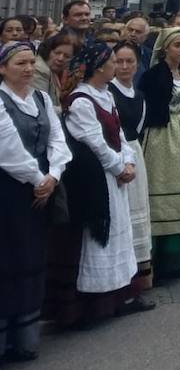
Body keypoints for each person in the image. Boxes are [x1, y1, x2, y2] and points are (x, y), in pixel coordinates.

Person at [45, 43, 141, 328]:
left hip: (113, 175)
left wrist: (129, 160)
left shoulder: (105, 94)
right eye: (113, 61)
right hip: (94, 179)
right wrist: (118, 166)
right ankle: (88, 305)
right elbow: (94, 143)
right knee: (96, 238)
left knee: (117, 233)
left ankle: (116, 295)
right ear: (100, 67)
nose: (117, 66)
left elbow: (118, 134)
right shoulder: (81, 101)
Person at [0, 40, 70, 363]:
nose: (28, 69)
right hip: (10, 191)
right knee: (7, 260)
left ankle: (25, 339)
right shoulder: (1, 101)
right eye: (20, 64)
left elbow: (57, 139)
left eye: (30, 63)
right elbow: (8, 148)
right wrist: (37, 178)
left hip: (41, 188)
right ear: (3, 69)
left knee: (31, 258)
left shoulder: (41, 97)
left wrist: (53, 174)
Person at [140, 28, 180, 280]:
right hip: (162, 135)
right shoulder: (154, 75)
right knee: (163, 190)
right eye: (178, 45)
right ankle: (160, 259)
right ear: (165, 48)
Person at [109, 41, 155, 302]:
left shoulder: (137, 93)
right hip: (118, 157)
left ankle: (139, 277)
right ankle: (123, 285)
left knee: (138, 211)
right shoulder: (109, 92)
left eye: (130, 61)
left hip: (135, 152)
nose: (125, 67)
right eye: (119, 61)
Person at [33, 30, 81, 104]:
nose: (60, 58)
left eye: (67, 56)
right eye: (57, 53)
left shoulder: (57, 71)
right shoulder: (40, 69)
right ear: (48, 51)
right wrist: (66, 110)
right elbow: (40, 105)